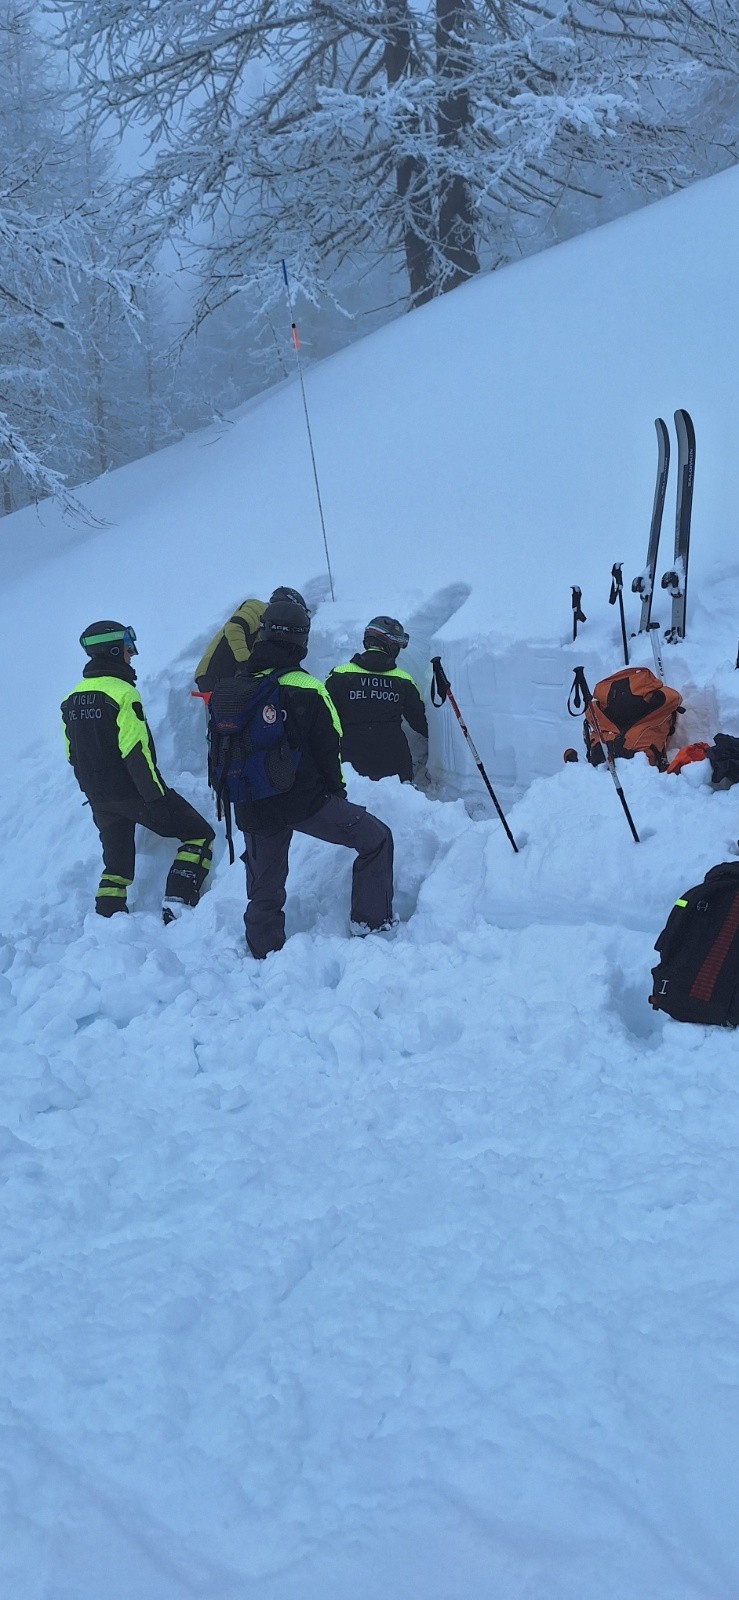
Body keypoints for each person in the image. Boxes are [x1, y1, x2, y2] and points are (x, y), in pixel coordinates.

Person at [226, 599, 394, 958]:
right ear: (301, 640)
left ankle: (262, 953)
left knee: (264, 890)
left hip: (253, 806)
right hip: (305, 804)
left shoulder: (237, 688)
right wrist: (336, 798)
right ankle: (371, 926)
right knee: (376, 839)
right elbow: (329, 750)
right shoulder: (308, 686)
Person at [62, 621, 215, 923]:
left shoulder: (72, 699)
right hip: (136, 794)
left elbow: (72, 755)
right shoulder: (122, 693)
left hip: (99, 799)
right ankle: (179, 901)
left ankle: (107, 917)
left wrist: (94, 794)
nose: (131, 654)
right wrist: (156, 799)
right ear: (114, 649)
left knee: (117, 867)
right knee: (199, 835)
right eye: (127, 647)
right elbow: (136, 753)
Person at [326, 615, 428, 782]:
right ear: (391, 646)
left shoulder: (339, 675)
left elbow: (323, 719)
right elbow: (420, 722)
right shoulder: (403, 680)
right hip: (395, 765)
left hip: (350, 765)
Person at [194, 586, 309, 693]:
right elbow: (234, 627)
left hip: (225, 676)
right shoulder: (258, 607)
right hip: (217, 671)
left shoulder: (269, 623)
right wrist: (246, 663)